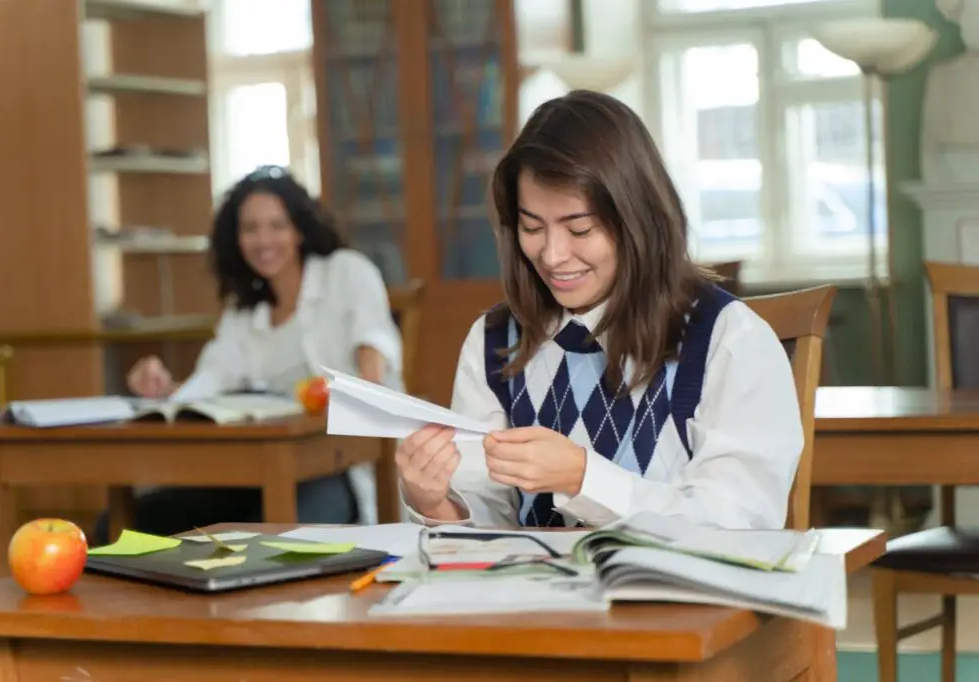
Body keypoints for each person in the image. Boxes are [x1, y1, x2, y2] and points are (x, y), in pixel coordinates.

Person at [396, 91, 803, 530]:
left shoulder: (727, 337)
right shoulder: (496, 340)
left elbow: (743, 519)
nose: (552, 255)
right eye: (532, 227)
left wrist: (583, 478)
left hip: (675, 597)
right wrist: (435, 501)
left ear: (638, 219)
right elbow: (487, 518)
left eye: (580, 228)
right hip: (536, 596)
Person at [92, 165, 402, 544]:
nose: (263, 239)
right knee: (121, 527)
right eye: (250, 228)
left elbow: (374, 344)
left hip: (338, 469)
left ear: (299, 229)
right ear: (234, 238)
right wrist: (164, 389)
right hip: (256, 473)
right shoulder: (244, 309)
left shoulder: (346, 272)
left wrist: (366, 381)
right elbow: (212, 381)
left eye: (276, 225)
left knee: (269, 540)